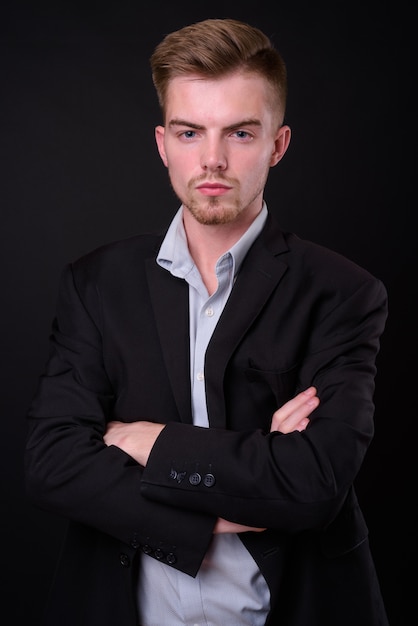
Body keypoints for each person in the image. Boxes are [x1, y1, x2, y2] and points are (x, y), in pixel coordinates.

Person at [24, 17, 389, 626]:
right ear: (163, 143)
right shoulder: (96, 282)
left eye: (241, 133)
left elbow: (314, 484)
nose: (213, 159)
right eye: (191, 132)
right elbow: (53, 464)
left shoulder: (343, 293)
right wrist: (234, 493)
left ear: (278, 144)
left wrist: (143, 440)